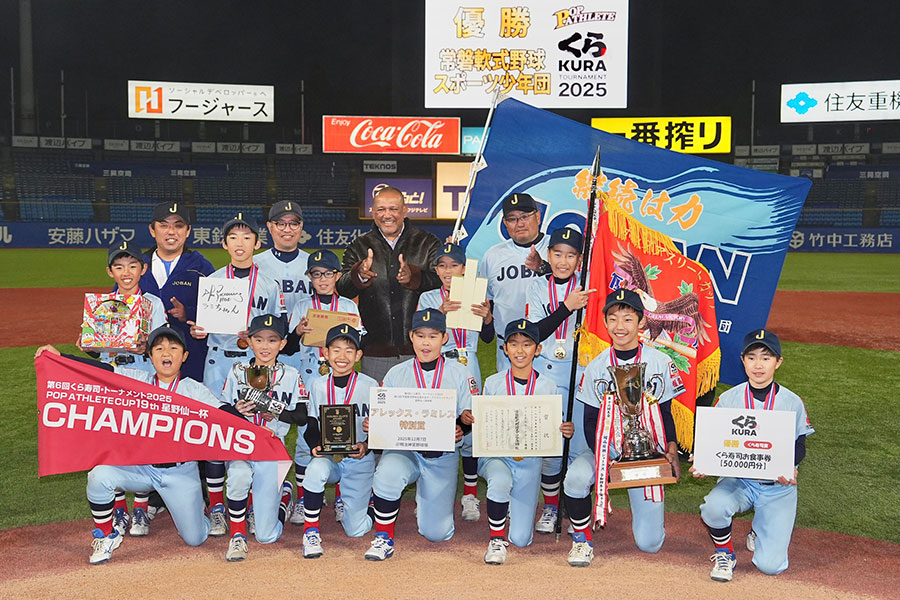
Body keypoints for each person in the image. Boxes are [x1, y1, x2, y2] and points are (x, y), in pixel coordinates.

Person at [34, 325, 218, 565]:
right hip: (142, 469)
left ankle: (198, 508)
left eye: (173, 348)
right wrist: (61, 357)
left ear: (184, 356)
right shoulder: (138, 379)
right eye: (159, 348)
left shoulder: (194, 389)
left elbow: (226, 416)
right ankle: (104, 535)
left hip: (180, 473)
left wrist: (256, 430)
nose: (166, 353)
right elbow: (101, 371)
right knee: (99, 476)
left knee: (195, 538)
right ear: (149, 356)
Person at [562, 289, 684, 567]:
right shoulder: (597, 366)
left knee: (650, 544)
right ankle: (581, 539)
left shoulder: (659, 361)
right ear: (605, 322)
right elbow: (590, 421)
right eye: (613, 319)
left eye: (628, 319)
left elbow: (666, 412)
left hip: (647, 451)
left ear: (641, 322)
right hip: (607, 448)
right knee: (576, 478)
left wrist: (672, 449)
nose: (620, 326)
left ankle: (652, 519)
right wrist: (605, 460)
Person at [692, 329, 813, 582]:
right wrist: (703, 459)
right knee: (713, 507)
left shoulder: (792, 401)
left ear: (778, 362)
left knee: (771, 566)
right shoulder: (729, 398)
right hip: (739, 481)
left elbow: (799, 445)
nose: (758, 365)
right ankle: (725, 554)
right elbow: (713, 439)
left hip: (777, 486)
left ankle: (759, 530)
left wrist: (788, 465)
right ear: (743, 361)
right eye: (752, 357)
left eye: (766, 358)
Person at [363, 308, 476, 561]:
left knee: (437, 533)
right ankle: (383, 537)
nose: (426, 343)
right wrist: (375, 424)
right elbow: (384, 414)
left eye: (433, 336)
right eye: (421, 336)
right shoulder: (396, 373)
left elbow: (466, 416)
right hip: (405, 451)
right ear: (411, 336)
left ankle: (426, 500)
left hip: (441, 455)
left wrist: (463, 425)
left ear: (444, 338)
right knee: (387, 474)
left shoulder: (459, 372)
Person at [474, 319, 573, 565]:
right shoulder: (493, 383)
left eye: (527, 344)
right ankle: (496, 539)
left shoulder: (548, 386)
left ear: (538, 349)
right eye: (514, 344)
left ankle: (509, 507)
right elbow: (485, 425)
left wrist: (563, 428)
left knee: (521, 539)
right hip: (497, 456)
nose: (520, 350)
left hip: (529, 460)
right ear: (504, 349)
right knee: (500, 480)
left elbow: (551, 427)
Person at [217, 314, 309, 561]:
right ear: (249, 342)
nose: (265, 346)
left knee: (267, 536)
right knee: (238, 476)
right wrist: (236, 411)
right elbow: (222, 410)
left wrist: (275, 410)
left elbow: (301, 417)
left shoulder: (291, 374)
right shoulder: (237, 371)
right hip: (242, 444)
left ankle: (284, 497)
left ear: (282, 344)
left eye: (272, 340)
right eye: (258, 340)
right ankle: (237, 536)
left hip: (272, 447)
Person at [415, 242, 492, 522]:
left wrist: (488, 318)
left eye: (454, 265)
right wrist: (439, 313)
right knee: (435, 425)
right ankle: (427, 491)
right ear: (436, 270)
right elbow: (420, 333)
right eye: (442, 265)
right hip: (439, 365)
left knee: (470, 426)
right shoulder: (427, 297)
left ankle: (469, 494)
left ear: (464, 269)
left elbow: (488, 338)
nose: (448, 271)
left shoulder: (476, 293)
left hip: (468, 362)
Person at [285, 249, 362, 525]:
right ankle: (304, 498)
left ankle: (340, 497)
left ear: (337, 276)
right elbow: (288, 349)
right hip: (310, 377)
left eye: (328, 273)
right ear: (309, 277)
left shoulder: (348, 307)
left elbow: (359, 343)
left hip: (340, 377)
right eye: (316, 274)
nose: (322, 279)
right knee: (306, 439)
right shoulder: (301, 306)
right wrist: (297, 332)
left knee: (342, 434)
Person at [525, 227, 593, 533]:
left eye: (570, 255)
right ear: (548, 255)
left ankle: (579, 507)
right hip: (548, 371)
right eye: (557, 254)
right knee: (550, 446)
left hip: (581, 373)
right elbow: (535, 332)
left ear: (580, 259)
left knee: (578, 446)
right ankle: (551, 507)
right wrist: (568, 307)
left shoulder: (589, 286)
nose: (563, 261)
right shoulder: (538, 286)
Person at [336, 186, 442, 383]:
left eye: (393, 209)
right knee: (378, 403)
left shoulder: (427, 243)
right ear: (373, 212)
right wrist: (359, 275)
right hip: (376, 352)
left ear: (405, 211)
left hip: (420, 350)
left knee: (419, 402)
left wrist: (415, 277)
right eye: (381, 209)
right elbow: (342, 289)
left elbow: (444, 283)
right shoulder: (359, 246)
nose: (387, 215)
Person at [300, 324, 378, 558]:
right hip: (329, 458)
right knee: (315, 470)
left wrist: (367, 445)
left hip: (359, 459)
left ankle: (372, 503)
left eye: (349, 351)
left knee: (356, 530)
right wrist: (315, 445)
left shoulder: (370, 385)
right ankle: (310, 532)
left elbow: (381, 428)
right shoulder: (317, 384)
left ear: (358, 355)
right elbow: (311, 424)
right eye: (336, 350)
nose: (342, 356)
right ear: (325, 353)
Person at [188, 213, 285, 394]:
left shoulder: (270, 285)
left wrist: (258, 332)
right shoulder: (212, 281)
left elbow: (280, 325)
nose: (239, 243)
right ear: (225, 244)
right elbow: (203, 322)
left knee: (254, 409)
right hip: (218, 359)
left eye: (246, 237)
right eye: (233, 237)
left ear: (257, 243)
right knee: (215, 409)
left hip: (255, 358)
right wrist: (198, 331)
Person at [138, 201, 215, 382]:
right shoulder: (137, 266)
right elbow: (118, 307)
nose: (171, 231)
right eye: (164, 225)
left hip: (190, 362)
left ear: (188, 231)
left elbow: (217, 315)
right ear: (152, 230)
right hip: (144, 362)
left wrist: (188, 313)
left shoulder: (201, 267)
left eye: (178, 226)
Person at [477, 193, 554, 372]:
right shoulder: (492, 255)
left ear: (538, 217)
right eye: (512, 219)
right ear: (505, 223)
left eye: (525, 217)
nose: (519, 224)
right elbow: (488, 303)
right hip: (508, 349)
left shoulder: (555, 247)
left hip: (550, 345)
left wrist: (543, 267)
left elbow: (572, 286)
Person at [84, 240, 168, 373]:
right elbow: (99, 349)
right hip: (110, 367)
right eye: (119, 267)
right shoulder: (102, 304)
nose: (126, 273)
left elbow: (163, 345)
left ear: (143, 269)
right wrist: (89, 346)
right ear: (110, 271)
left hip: (143, 369)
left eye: (132, 266)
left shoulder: (153, 303)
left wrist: (146, 348)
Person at [255, 200, 313, 373]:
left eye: (293, 223)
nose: (287, 229)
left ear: (301, 226)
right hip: (266, 349)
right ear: (269, 226)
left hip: (306, 351)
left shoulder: (314, 265)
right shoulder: (255, 265)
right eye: (281, 223)